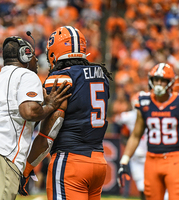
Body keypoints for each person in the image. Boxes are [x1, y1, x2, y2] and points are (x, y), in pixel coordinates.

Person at [0, 35, 71, 200]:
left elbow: (19, 116)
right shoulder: (26, 75)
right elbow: (28, 112)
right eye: (33, 55)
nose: (36, 59)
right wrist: (50, 106)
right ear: (25, 55)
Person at [19, 26, 113, 200]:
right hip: (98, 162)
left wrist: (26, 170)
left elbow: (49, 133)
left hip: (71, 162)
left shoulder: (61, 77)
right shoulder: (101, 75)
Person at [117, 63, 179, 200]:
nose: (159, 83)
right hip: (151, 160)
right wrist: (124, 160)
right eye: (156, 79)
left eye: (163, 80)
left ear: (171, 82)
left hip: (175, 159)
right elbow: (135, 135)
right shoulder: (144, 102)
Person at [114, 93, 147, 200]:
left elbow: (117, 119)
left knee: (143, 183)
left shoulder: (129, 116)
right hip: (143, 150)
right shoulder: (150, 113)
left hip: (138, 151)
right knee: (142, 183)